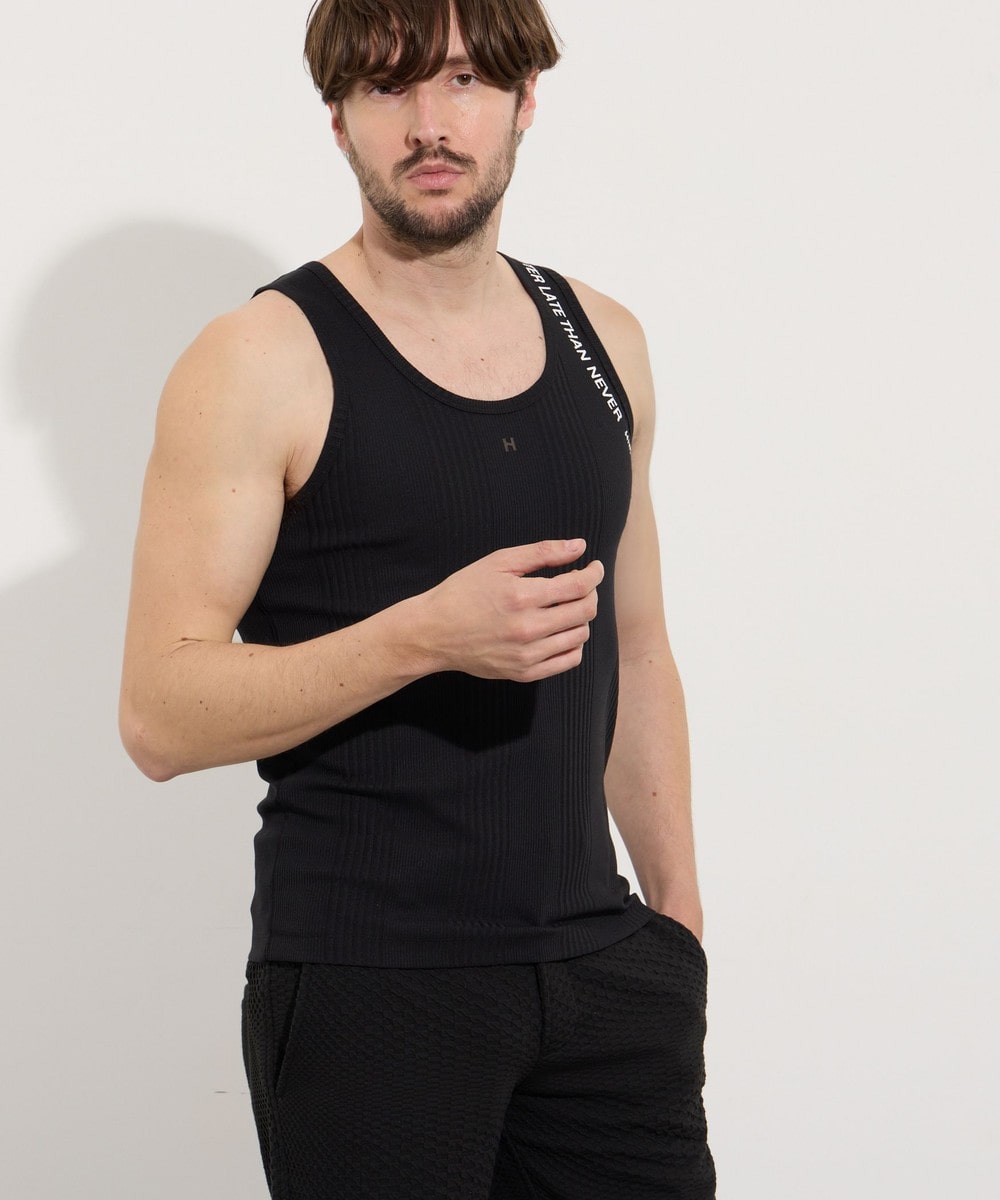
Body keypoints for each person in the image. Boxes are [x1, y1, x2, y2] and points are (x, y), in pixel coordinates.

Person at [119, 1, 715, 1196]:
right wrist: (420, 637)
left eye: (462, 81)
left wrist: (677, 926)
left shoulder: (605, 341)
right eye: (387, 88)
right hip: (369, 989)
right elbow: (159, 717)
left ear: (524, 100)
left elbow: (637, 646)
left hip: (605, 983)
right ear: (338, 117)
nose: (429, 124)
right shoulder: (259, 359)